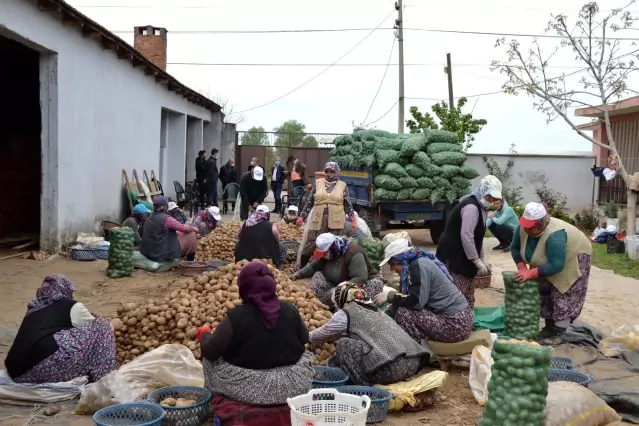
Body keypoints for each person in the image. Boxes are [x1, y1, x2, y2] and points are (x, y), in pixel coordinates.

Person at [198, 262, 313, 426]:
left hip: (250, 389)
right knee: (307, 355)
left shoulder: (236, 316)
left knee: (209, 361)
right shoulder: (290, 309)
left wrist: (204, 335)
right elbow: (305, 338)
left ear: (244, 287)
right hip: (294, 385)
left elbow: (210, 351)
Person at [5, 274, 118, 384]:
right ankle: (102, 378)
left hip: (18, 373)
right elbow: (96, 330)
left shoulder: (34, 307)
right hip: (41, 370)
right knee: (103, 326)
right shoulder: (72, 305)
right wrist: (111, 325)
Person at [310, 282, 425, 386]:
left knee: (344, 345)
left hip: (391, 368)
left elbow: (321, 335)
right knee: (341, 355)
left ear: (341, 300)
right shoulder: (376, 310)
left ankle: (362, 385)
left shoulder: (345, 313)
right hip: (413, 362)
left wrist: (303, 335)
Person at [510, 202, 592, 345]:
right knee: (544, 288)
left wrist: (531, 273)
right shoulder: (522, 229)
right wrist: (522, 268)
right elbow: (515, 248)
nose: (526, 230)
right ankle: (550, 327)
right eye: (525, 226)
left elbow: (557, 265)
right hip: (552, 259)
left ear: (540, 224)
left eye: (531, 227)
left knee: (564, 290)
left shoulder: (555, 235)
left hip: (573, 255)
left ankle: (559, 332)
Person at [376, 238, 473, 344]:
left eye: (391, 263)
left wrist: (391, 296)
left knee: (404, 314)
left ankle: (415, 350)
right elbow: (410, 296)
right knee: (402, 309)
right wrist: (387, 313)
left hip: (456, 324)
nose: (391, 268)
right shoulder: (418, 263)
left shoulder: (418, 266)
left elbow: (416, 302)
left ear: (401, 259)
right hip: (463, 319)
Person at [435, 175, 503, 310]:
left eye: (495, 198)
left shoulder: (481, 208)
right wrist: (476, 261)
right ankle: (455, 320)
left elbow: (478, 236)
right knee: (456, 293)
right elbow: (466, 236)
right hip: (452, 254)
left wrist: (482, 260)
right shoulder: (471, 207)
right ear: (482, 191)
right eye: (490, 196)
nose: (492, 200)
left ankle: (467, 318)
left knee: (468, 291)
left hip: (462, 253)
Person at [291, 233, 384, 306]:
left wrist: (339, 290)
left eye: (325, 253)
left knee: (356, 297)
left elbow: (360, 278)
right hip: (337, 283)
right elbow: (313, 266)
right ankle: (323, 303)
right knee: (318, 276)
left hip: (360, 285)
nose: (324, 255)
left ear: (333, 247)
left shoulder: (354, 253)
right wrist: (299, 274)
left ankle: (341, 309)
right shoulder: (328, 254)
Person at [297, 162, 356, 267]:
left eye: (332, 171)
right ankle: (301, 266)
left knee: (334, 243)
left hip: (336, 220)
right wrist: (302, 216)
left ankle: (332, 267)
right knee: (311, 242)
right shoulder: (318, 183)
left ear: (337, 172)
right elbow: (310, 201)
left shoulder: (342, 185)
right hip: (318, 219)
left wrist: (353, 219)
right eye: (327, 171)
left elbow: (347, 204)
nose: (329, 174)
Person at [140, 196, 199, 262]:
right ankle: (190, 261)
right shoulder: (166, 219)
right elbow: (183, 228)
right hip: (161, 255)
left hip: (149, 252)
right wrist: (193, 228)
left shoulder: (150, 217)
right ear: (164, 206)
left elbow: (160, 232)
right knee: (191, 234)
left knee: (179, 234)